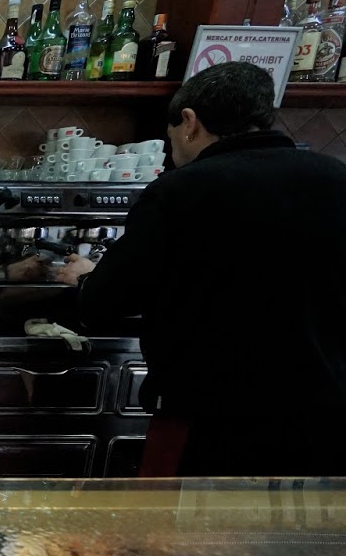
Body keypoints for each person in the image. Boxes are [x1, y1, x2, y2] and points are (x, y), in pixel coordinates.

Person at [49, 61, 346, 476]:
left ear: (188, 122)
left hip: (208, 422)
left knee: (180, 538)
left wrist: (87, 276)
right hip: (325, 421)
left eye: (171, 142)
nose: (174, 154)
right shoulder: (337, 178)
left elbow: (104, 304)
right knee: (290, 539)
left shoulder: (183, 190)